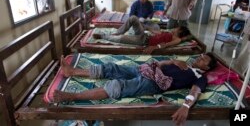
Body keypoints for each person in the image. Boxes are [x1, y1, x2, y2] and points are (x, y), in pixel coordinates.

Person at [53, 53, 217, 126]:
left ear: (207, 68)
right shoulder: (185, 63)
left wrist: (186, 106)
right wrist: (173, 61)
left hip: (154, 83)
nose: (199, 58)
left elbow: (195, 91)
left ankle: (73, 96)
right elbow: (160, 64)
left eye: (204, 60)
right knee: (111, 68)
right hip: (145, 69)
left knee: (117, 86)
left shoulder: (199, 77)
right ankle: (72, 71)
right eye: (201, 56)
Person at [92, 16, 191, 54]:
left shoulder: (177, 39)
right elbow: (158, 33)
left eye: (177, 28)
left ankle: (103, 36)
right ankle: (117, 32)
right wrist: (146, 27)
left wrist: (154, 47)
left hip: (143, 41)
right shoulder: (169, 33)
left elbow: (166, 45)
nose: (175, 28)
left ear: (180, 31)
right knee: (133, 18)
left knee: (121, 38)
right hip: (145, 36)